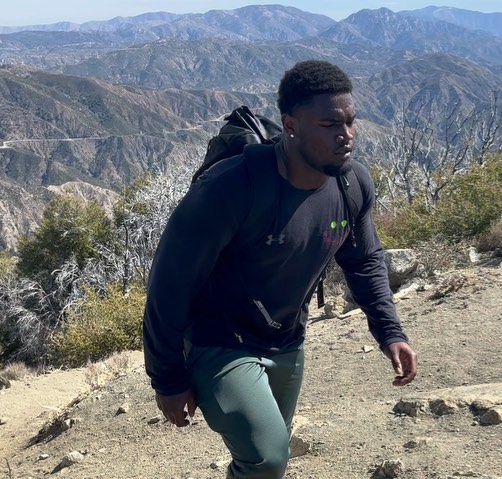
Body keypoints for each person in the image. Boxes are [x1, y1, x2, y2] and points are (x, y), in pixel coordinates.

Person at [142, 59, 418, 479]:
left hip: (287, 338)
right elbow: (169, 285)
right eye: (329, 124)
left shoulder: (352, 185)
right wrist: (167, 379)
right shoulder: (232, 187)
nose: (346, 135)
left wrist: (390, 332)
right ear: (291, 125)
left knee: (272, 453)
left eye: (351, 121)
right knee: (268, 458)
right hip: (218, 339)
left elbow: (364, 261)